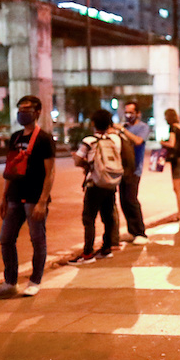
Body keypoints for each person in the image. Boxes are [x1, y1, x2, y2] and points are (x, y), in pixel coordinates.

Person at [0, 95, 56, 298]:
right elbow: (10, 169)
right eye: (20, 108)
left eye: (27, 109)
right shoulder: (15, 138)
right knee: (6, 238)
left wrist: (43, 200)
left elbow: (50, 172)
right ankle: (10, 282)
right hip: (14, 197)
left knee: (37, 239)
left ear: (37, 112)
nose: (22, 113)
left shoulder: (44, 138)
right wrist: (4, 197)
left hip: (34, 198)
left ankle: (35, 281)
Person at [69, 109, 122, 264]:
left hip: (95, 184)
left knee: (89, 218)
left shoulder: (89, 141)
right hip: (110, 183)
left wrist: (87, 165)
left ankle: (87, 253)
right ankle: (106, 248)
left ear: (93, 123)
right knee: (108, 217)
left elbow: (78, 160)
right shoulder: (115, 140)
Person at [118, 101, 149, 245]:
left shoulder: (143, 127)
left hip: (134, 169)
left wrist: (123, 131)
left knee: (131, 199)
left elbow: (138, 141)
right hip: (121, 169)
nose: (128, 115)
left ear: (138, 113)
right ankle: (132, 231)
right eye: (126, 112)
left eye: (131, 112)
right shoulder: (124, 127)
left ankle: (140, 232)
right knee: (123, 201)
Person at [161, 108, 180, 222]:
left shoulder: (172, 128)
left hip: (177, 160)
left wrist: (162, 142)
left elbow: (172, 144)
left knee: (177, 188)